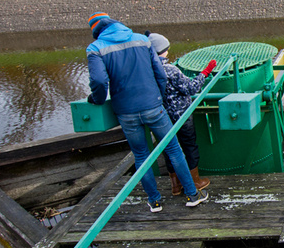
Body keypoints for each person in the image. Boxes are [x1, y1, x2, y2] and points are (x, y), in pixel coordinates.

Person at [86, 12, 208, 212]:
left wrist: (97, 99)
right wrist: (157, 98)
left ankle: (155, 201)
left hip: (126, 112)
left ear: (96, 30)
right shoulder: (142, 40)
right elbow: (159, 74)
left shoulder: (96, 49)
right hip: (153, 106)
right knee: (174, 149)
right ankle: (192, 195)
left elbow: (99, 82)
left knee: (141, 155)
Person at [146, 32, 215, 196]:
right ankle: (195, 181)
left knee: (169, 149)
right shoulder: (170, 69)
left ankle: (175, 186)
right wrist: (204, 73)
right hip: (181, 116)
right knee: (189, 146)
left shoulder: (147, 71)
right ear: (164, 50)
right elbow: (190, 88)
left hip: (161, 117)